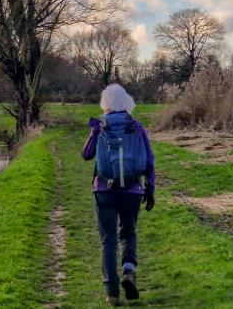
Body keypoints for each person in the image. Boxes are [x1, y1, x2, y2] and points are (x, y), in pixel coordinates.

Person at [82, 84, 156, 306]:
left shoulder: (101, 126)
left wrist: (95, 131)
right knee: (129, 234)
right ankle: (129, 270)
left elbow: (86, 154)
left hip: (104, 190)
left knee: (108, 241)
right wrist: (150, 188)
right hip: (132, 190)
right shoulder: (137, 127)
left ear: (105, 104)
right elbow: (149, 160)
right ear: (127, 104)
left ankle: (112, 293)